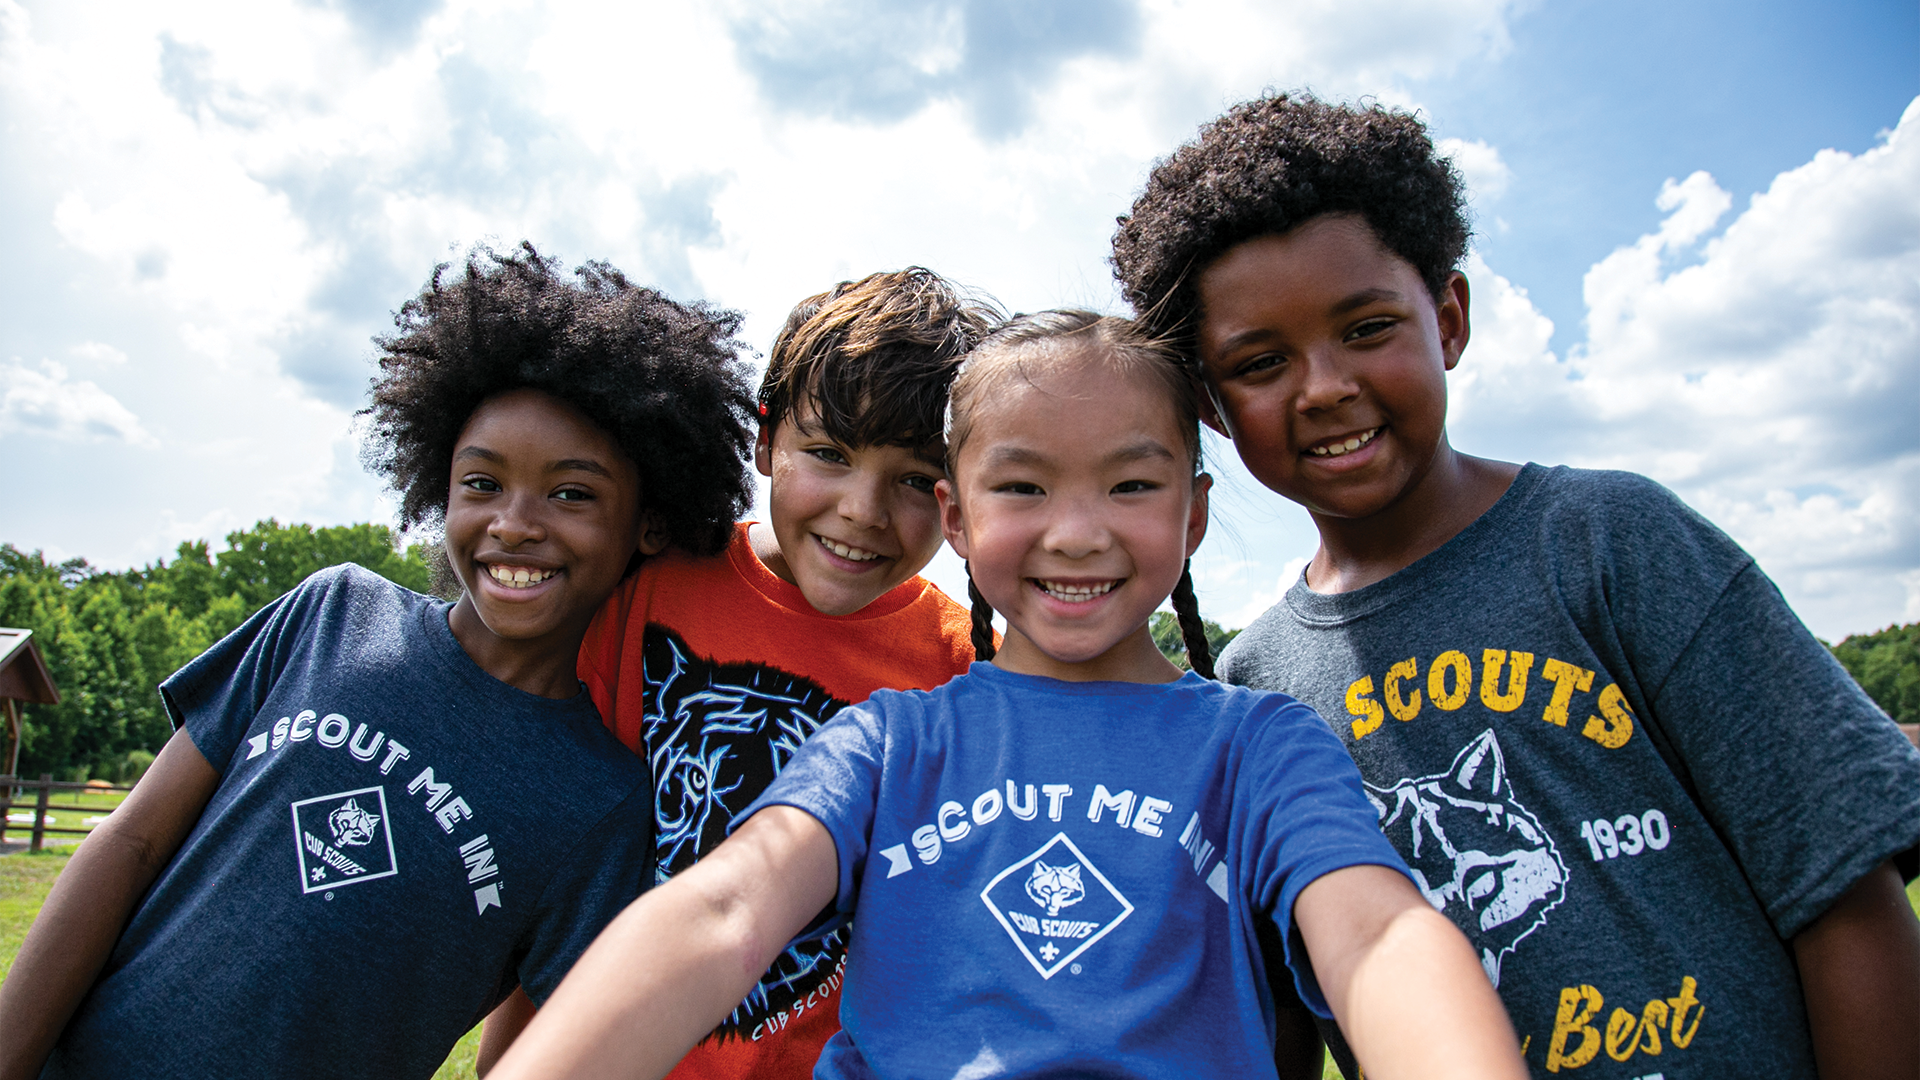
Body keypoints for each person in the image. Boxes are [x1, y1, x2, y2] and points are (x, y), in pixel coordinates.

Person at [486, 311, 1528, 1080]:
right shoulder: (892, 738)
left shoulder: (1258, 746)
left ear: (1195, 515)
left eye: (1129, 485)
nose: (1077, 532)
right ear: (959, 514)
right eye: (1023, 487)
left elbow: (1376, 936)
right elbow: (724, 909)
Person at [1111, 93, 1920, 1079]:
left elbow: (1844, 893)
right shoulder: (1252, 686)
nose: (1322, 385)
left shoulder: (1613, 544)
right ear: (1213, 405)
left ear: (1448, 319)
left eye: (1367, 328)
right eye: (1263, 361)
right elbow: (1277, 1013)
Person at [0, 243, 761, 1080]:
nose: (513, 522)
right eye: (481, 484)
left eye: (571, 494)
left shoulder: (604, 802)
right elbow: (131, 842)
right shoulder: (330, 614)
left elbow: (538, 1041)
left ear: (649, 525)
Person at [475, 268, 1000, 1078]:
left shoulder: (962, 665)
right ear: (764, 440)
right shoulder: (649, 579)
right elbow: (562, 842)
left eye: (912, 477)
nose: (862, 509)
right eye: (827, 453)